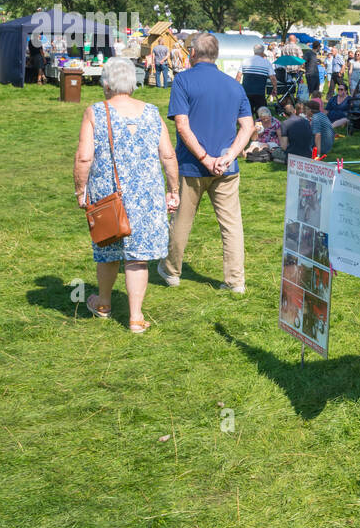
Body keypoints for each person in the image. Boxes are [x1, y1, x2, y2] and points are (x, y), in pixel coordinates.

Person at [73, 57, 179, 333]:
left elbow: (84, 158)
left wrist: (80, 189)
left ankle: (104, 303)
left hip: (108, 195)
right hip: (146, 195)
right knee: (137, 256)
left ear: (106, 84)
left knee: (107, 249)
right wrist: (174, 190)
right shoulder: (152, 112)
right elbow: (167, 155)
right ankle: (135, 317)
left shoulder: (95, 112)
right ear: (133, 83)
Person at [159, 33, 254, 295]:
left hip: (192, 165)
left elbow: (181, 124)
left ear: (192, 53)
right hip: (226, 169)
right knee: (231, 225)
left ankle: (171, 270)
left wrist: (205, 158)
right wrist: (230, 156)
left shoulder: (183, 80)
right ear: (217, 55)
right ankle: (236, 281)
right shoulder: (234, 85)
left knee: (181, 221)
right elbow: (248, 126)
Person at [239, 44, 277, 116]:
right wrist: (274, 89)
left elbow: (238, 76)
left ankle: (248, 126)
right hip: (260, 93)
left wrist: (237, 89)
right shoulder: (266, 62)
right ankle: (259, 126)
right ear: (263, 52)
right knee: (261, 113)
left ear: (254, 51)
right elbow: (273, 78)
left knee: (247, 114)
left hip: (246, 92)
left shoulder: (245, 61)